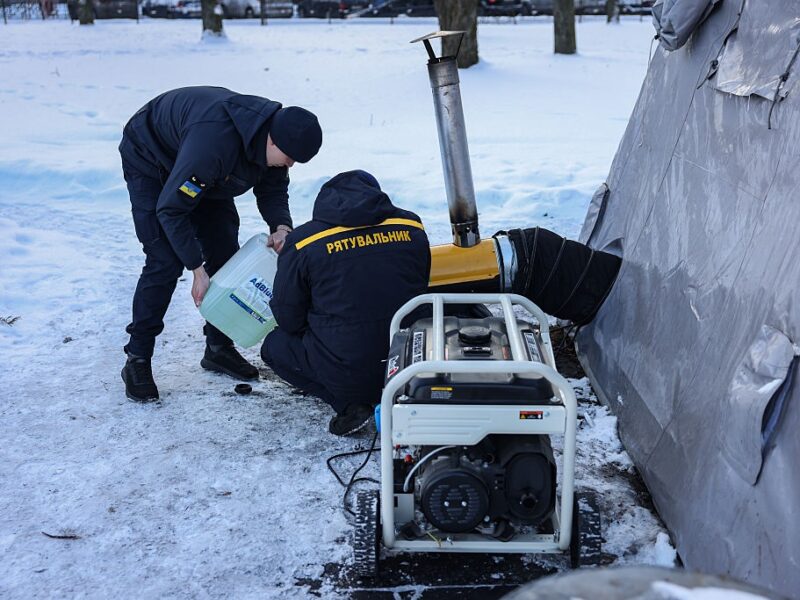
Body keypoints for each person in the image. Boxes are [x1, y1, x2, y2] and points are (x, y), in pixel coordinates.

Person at [118, 86, 322, 403]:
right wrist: (197, 269)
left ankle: (218, 348)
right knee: (165, 261)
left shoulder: (276, 140)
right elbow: (171, 209)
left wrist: (281, 227)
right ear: (271, 140)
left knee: (225, 251)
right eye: (289, 157)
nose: (291, 164)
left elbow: (273, 190)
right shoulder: (213, 145)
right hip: (152, 157)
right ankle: (138, 358)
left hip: (206, 171)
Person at [261, 170, 430, 436]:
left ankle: (348, 404)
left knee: (274, 347)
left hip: (348, 370)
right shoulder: (412, 226)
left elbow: (288, 318)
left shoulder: (304, 241)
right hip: (412, 361)